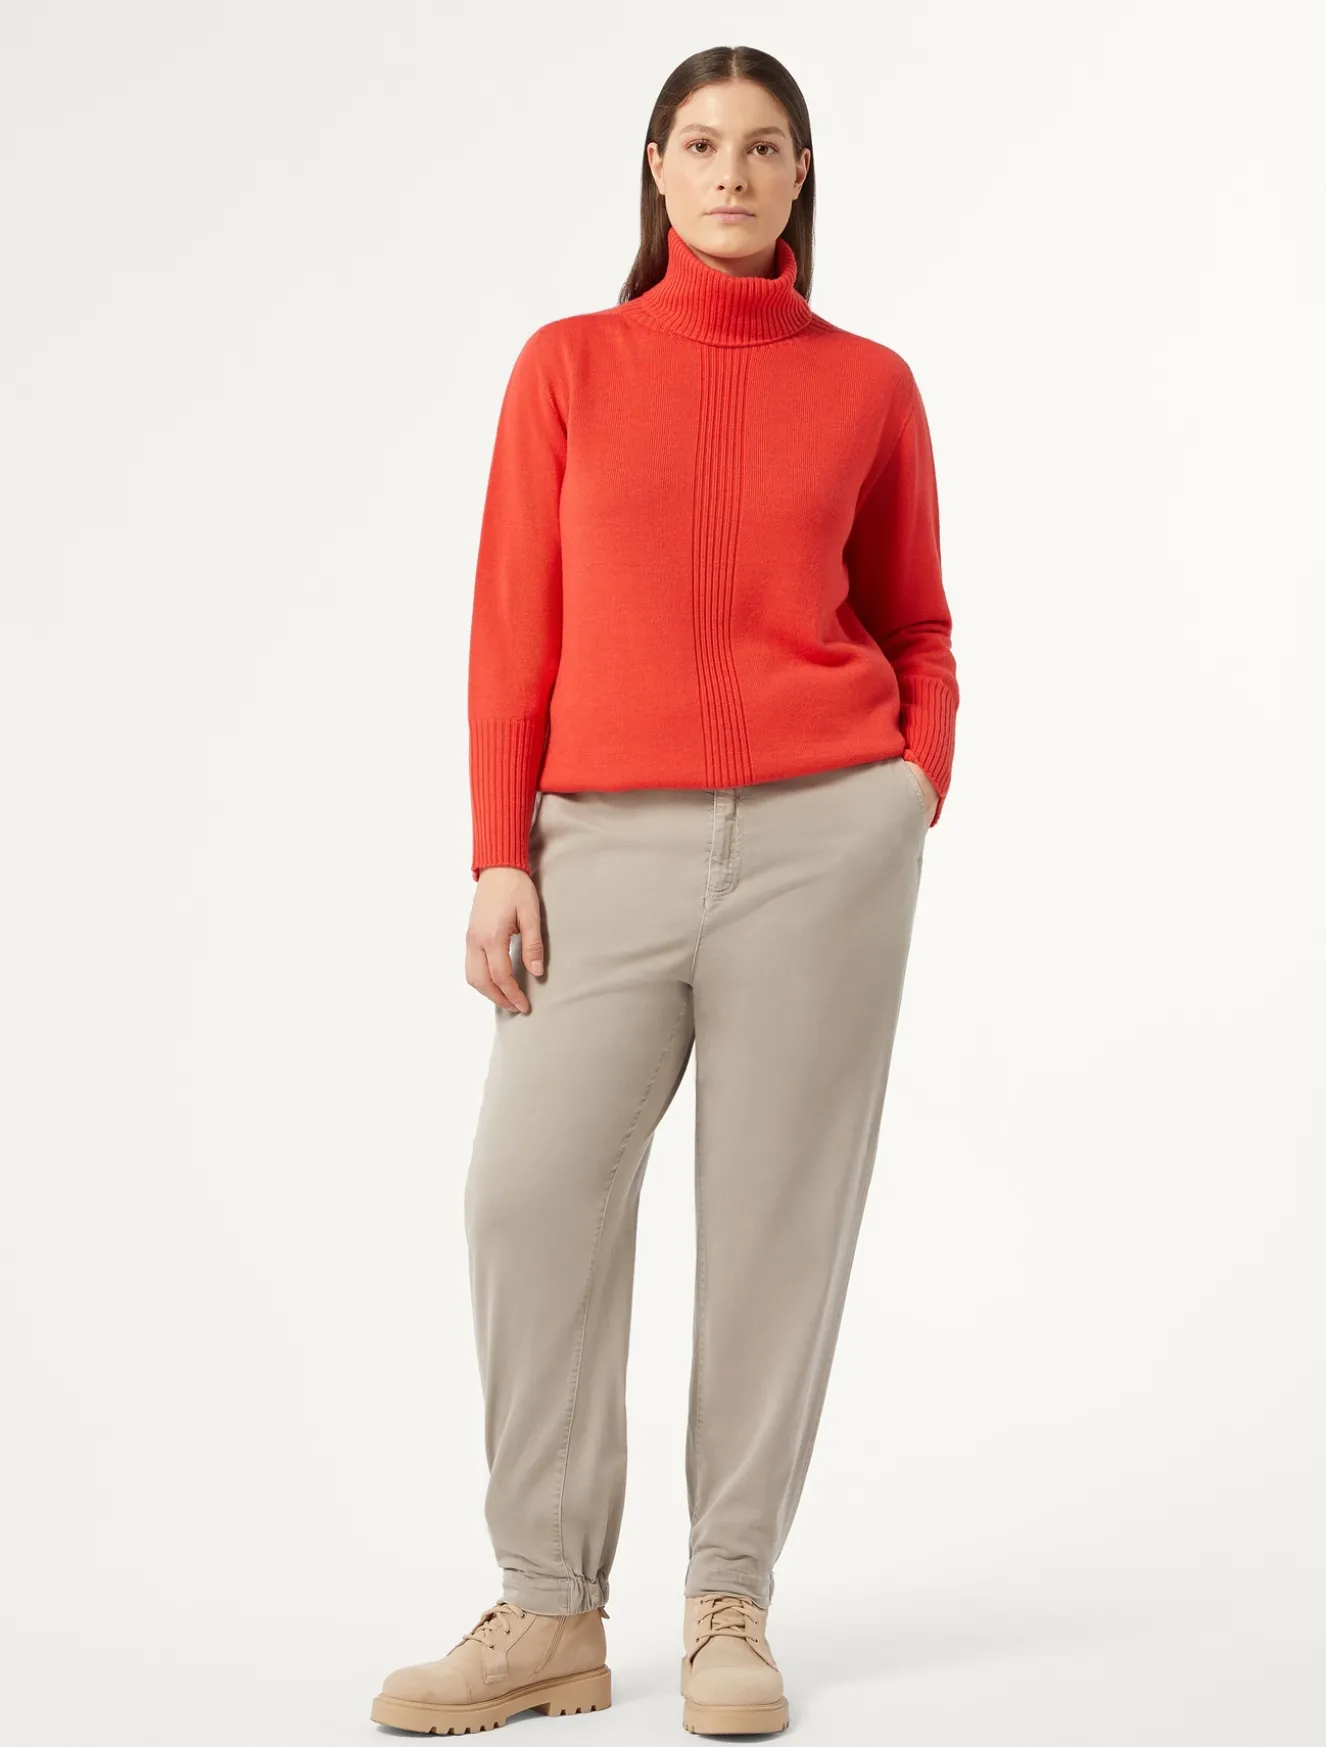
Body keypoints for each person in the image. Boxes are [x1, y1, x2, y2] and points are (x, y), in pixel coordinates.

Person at [371, 43, 958, 1739]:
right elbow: (512, 626)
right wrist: (498, 850)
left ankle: (727, 1601)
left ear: (799, 177)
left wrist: (907, 786)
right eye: (700, 144)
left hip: (822, 845)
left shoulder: (868, 385)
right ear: (655, 167)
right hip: (598, 846)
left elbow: (915, 619)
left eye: (763, 147)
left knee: (773, 1227)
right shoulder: (567, 364)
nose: (730, 173)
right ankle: (548, 1608)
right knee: (525, 1194)